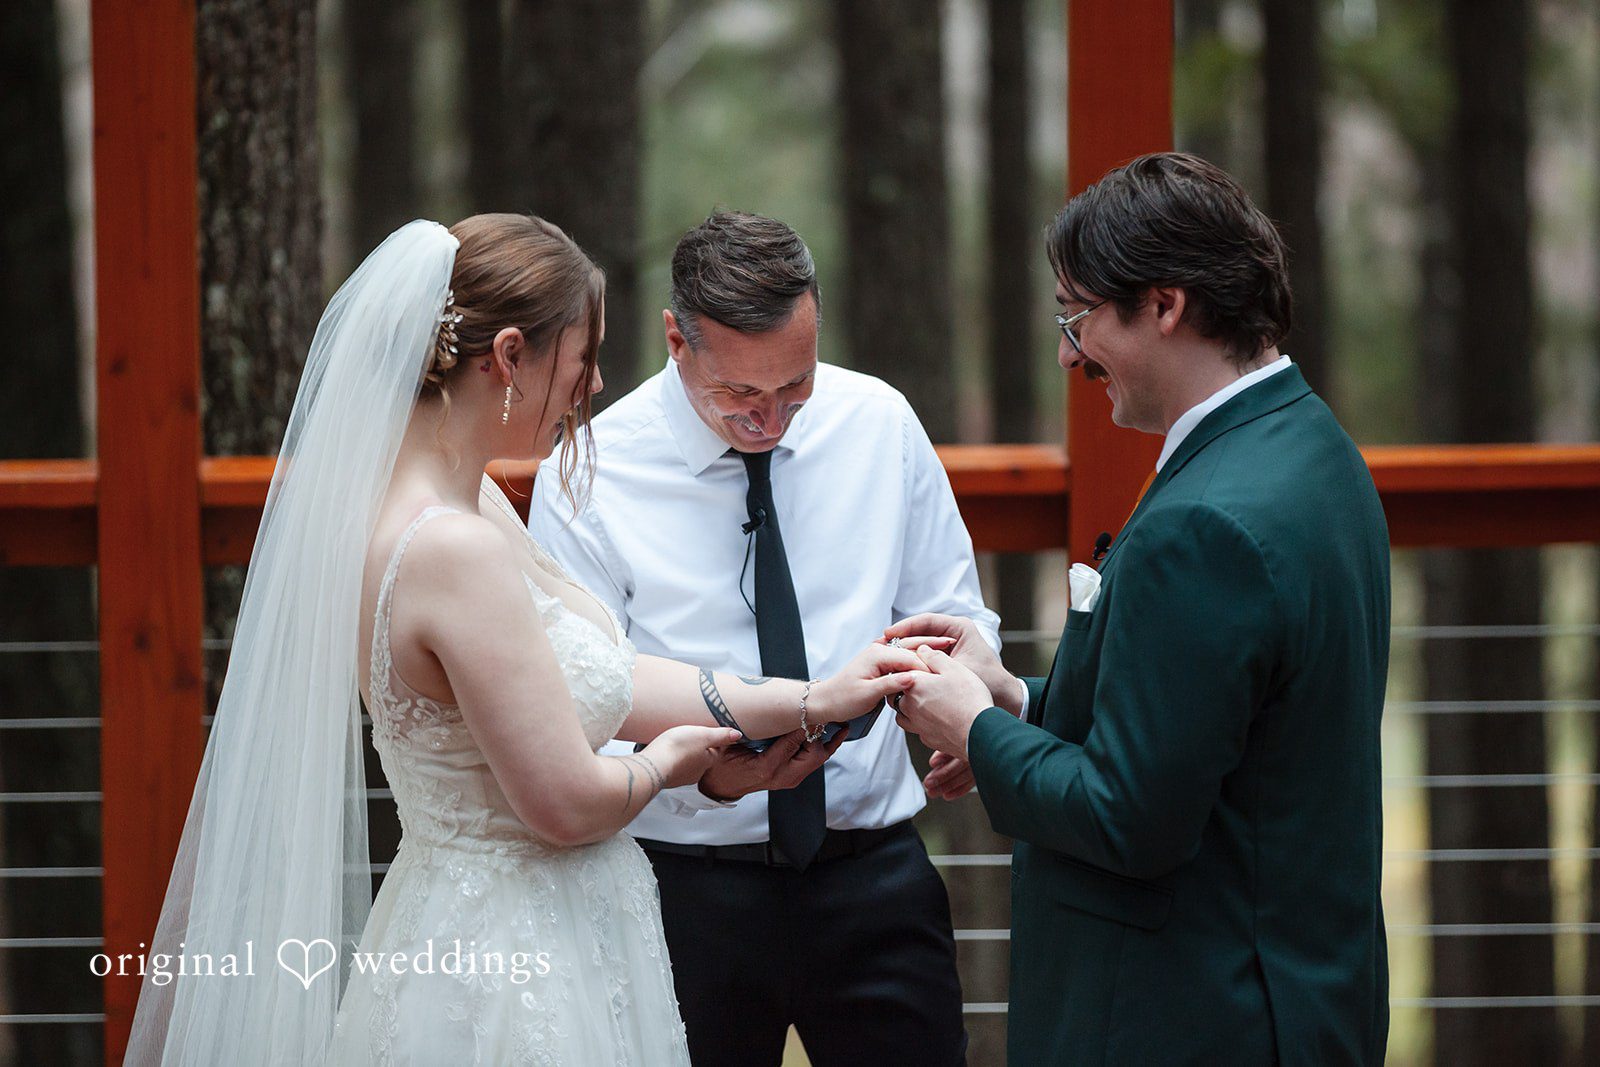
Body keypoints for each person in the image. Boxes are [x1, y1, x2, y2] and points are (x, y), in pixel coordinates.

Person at [125, 215, 926, 1065]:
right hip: (509, 966)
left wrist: (808, 698)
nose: (592, 386)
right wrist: (678, 762)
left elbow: (606, 674)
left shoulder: (464, 504)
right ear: (509, 356)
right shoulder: (449, 546)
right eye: (579, 360)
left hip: (532, 927)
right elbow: (565, 802)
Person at [891, 154, 1391, 1064]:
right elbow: (1207, 726)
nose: (1065, 352)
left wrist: (975, 731)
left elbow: (1130, 818)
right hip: (1302, 990)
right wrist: (1018, 699)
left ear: (1165, 305)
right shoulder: (1315, 447)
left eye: (1078, 316)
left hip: (1191, 1013)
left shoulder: (1205, 521)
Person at [529, 211, 995, 1066]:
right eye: (741, 396)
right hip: (681, 887)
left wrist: (967, 701)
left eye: (796, 388)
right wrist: (704, 767)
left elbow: (957, 611)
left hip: (875, 875)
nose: (771, 419)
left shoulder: (880, 424)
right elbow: (579, 691)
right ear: (676, 339)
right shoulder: (587, 476)